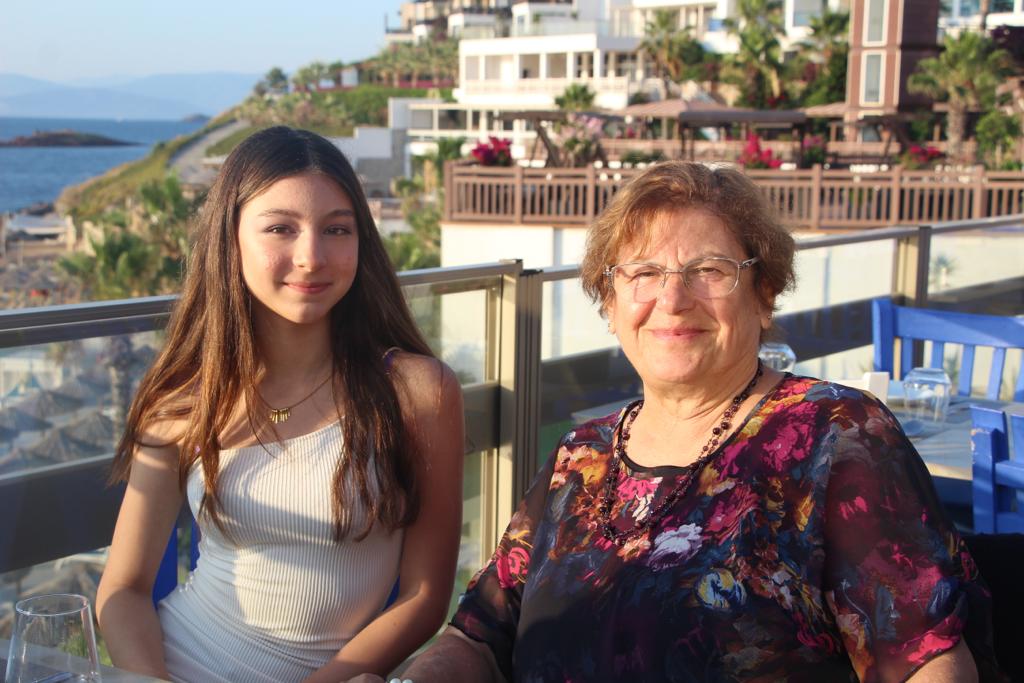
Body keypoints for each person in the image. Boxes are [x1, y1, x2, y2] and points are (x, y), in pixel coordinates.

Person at [398, 161, 1003, 682]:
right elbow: (479, 633)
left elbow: (924, 660)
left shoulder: (836, 437)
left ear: (764, 295)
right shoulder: (582, 455)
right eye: (643, 273)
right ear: (610, 304)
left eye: (709, 270)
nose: (673, 299)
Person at [96, 126, 464, 683]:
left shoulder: (416, 392)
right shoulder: (187, 397)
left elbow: (423, 597)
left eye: (336, 229)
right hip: (171, 663)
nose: (312, 257)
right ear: (231, 239)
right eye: (280, 228)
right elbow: (123, 590)